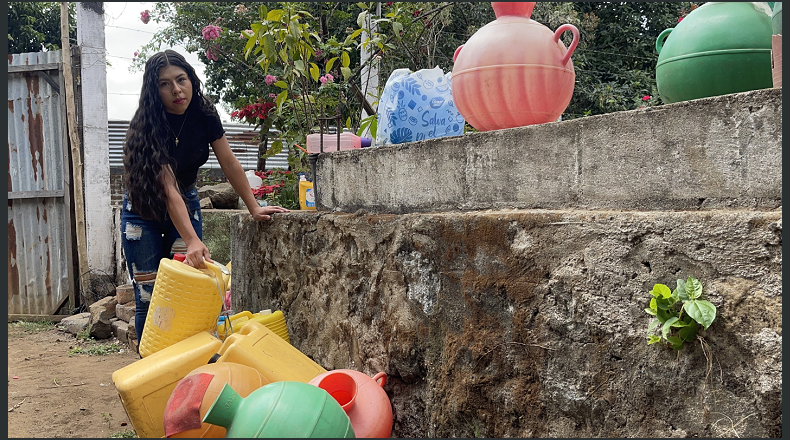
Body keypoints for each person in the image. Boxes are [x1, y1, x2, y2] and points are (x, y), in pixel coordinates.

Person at [121, 49, 289, 342]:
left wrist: (253, 207)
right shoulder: (148, 125)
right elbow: (167, 187)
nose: (176, 90)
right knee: (148, 297)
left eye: (181, 79)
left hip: (185, 201)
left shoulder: (203, 114)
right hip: (143, 212)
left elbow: (229, 162)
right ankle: (148, 368)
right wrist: (191, 240)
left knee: (189, 291)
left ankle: (185, 369)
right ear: (153, 89)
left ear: (190, 79)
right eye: (164, 84)